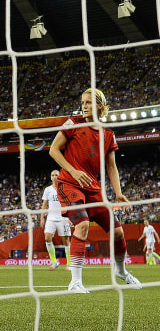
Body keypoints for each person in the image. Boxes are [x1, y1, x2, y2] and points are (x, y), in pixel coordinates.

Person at [49, 87, 140, 293]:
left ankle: (121, 272)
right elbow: (53, 149)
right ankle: (75, 282)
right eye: (82, 102)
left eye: (88, 102)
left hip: (94, 188)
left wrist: (118, 193)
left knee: (118, 232)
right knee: (82, 225)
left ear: (100, 105)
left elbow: (111, 166)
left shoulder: (108, 134)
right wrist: (73, 171)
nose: (84, 106)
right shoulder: (73, 123)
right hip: (69, 183)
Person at [39, 169, 71, 270]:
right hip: (51, 218)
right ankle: (54, 262)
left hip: (63, 218)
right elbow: (44, 205)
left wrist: (70, 216)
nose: (54, 177)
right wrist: (42, 218)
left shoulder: (65, 188)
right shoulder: (47, 190)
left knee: (66, 241)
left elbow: (69, 203)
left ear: (60, 176)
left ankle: (69, 264)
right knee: (47, 239)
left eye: (56, 175)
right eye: (52, 175)